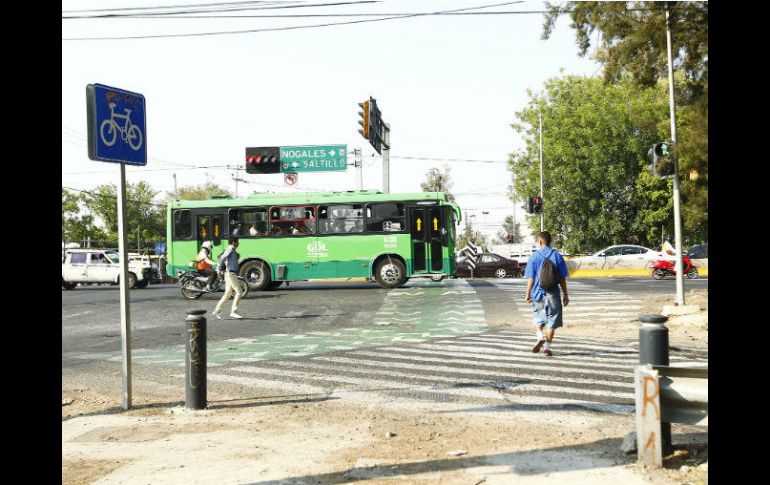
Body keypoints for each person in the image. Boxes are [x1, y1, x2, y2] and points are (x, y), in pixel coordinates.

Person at [524, 231, 569, 357]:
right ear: (550, 241)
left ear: (540, 241)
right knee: (552, 322)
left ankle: (539, 337)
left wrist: (528, 293)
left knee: (538, 319)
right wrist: (565, 295)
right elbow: (562, 279)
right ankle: (547, 349)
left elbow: (531, 278)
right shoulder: (557, 256)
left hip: (538, 294)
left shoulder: (534, 257)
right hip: (553, 293)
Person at [211, 237, 244, 319]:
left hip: (229, 273)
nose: (238, 243)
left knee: (228, 294)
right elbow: (222, 258)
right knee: (239, 292)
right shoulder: (230, 249)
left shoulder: (232, 250)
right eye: (237, 242)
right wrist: (218, 268)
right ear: (233, 242)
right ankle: (233, 312)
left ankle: (217, 310)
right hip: (231, 274)